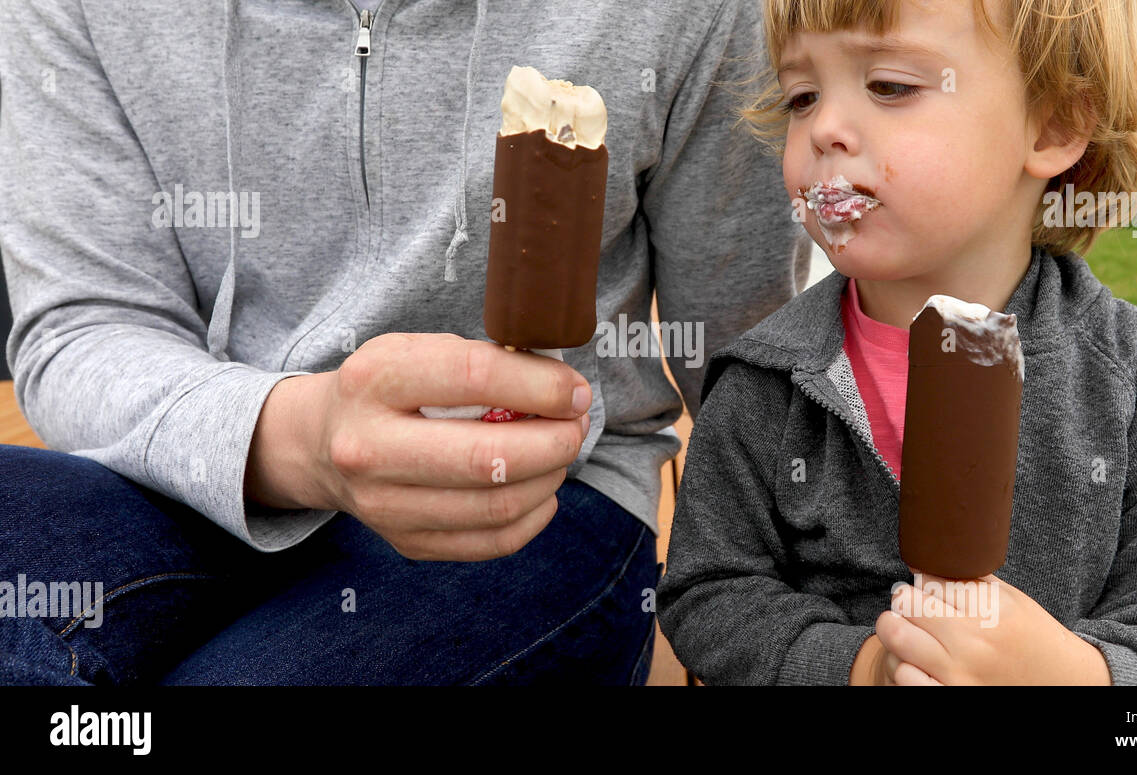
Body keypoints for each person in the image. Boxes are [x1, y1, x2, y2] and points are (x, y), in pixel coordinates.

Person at [0, 0, 808, 685]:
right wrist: (300, 438)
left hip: (547, 495)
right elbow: (85, 323)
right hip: (184, 475)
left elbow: (743, 365)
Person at [656, 0, 1137, 685]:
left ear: (1053, 124)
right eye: (801, 95)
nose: (824, 127)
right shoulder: (767, 382)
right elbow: (709, 591)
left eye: (889, 85)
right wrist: (859, 666)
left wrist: (1072, 674)